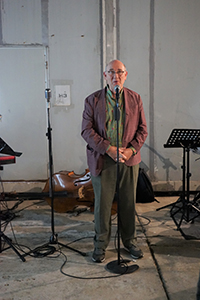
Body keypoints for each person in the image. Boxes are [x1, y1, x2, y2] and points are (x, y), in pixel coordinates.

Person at [81, 59, 148, 263]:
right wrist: (108, 149)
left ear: (126, 75)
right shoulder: (92, 100)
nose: (115, 75)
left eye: (119, 72)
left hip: (129, 159)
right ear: (105, 75)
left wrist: (130, 150)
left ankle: (130, 242)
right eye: (111, 71)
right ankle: (100, 245)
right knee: (103, 205)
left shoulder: (135, 99)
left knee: (128, 203)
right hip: (104, 159)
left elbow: (142, 130)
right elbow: (86, 130)